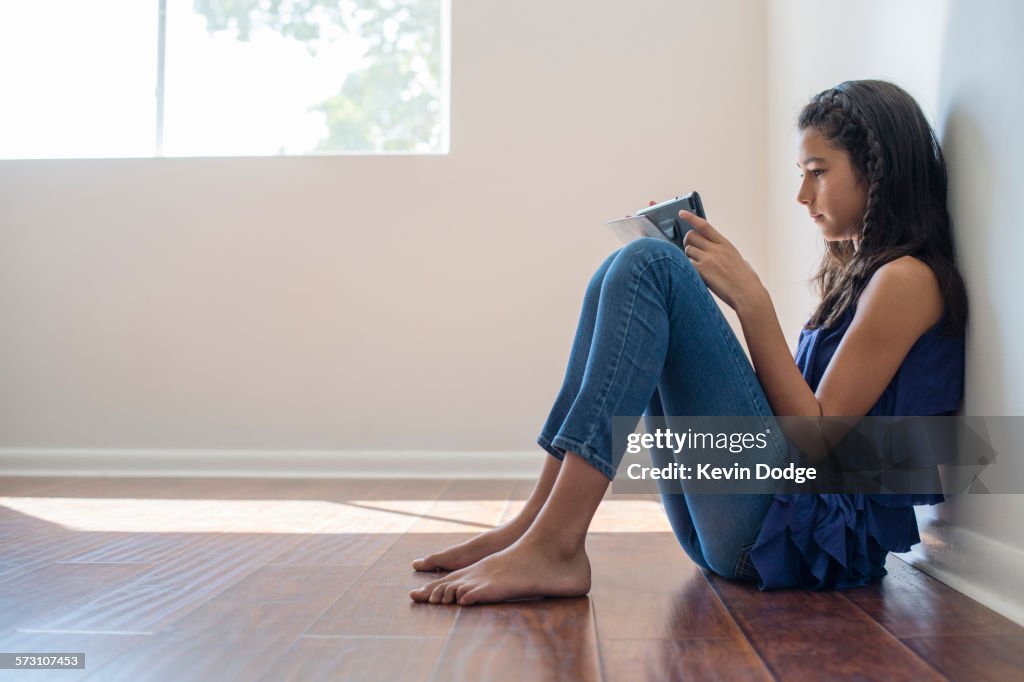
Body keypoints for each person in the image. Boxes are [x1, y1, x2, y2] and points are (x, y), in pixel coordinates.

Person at [409, 80, 967, 605]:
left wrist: (751, 299)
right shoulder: (865, 277)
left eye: (817, 172)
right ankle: (538, 523)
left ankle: (555, 544)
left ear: (879, 173)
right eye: (801, 172)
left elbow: (817, 440)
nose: (802, 194)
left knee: (651, 263)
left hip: (794, 542)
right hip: (754, 531)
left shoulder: (908, 280)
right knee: (622, 270)